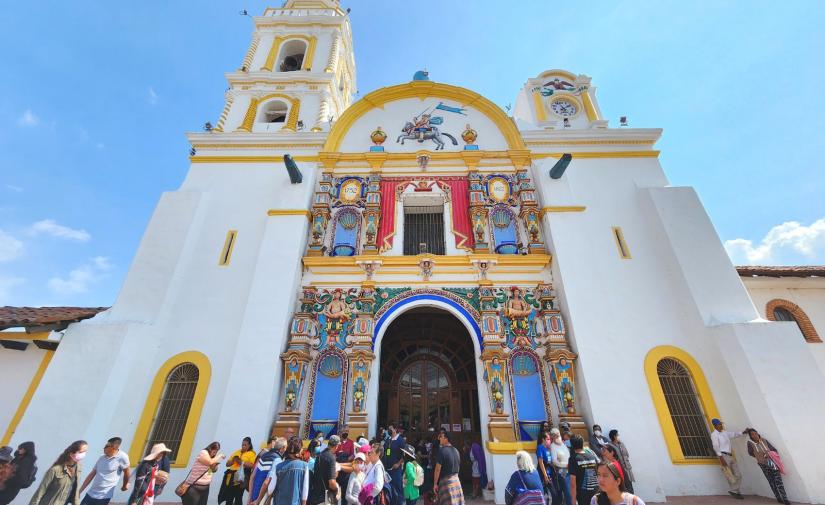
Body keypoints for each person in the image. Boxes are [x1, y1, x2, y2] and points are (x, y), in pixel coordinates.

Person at [29, 440, 88, 505]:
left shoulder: (78, 468)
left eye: (85, 451)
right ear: (71, 454)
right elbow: (40, 492)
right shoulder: (55, 470)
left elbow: (75, 491)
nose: (83, 454)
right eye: (81, 452)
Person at [79, 437, 131, 505]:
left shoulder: (122, 457)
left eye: (106, 446)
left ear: (114, 447)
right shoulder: (101, 457)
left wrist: (125, 485)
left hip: (104, 497)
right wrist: (80, 490)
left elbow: (127, 472)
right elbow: (92, 474)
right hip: (90, 494)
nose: (104, 448)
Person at [744, 428, 789, 505]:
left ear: (757, 433)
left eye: (755, 433)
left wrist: (769, 453)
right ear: (750, 436)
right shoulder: (750, 443)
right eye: (752, 434)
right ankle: (778, 497)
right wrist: (759, 457)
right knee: (771, 481)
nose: (755, 435)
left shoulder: (764, 440)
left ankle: (785, 499)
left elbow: (774, 450)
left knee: (778, 480)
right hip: (763, 464)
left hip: (771, 462)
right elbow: (750, 453)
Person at [710, 418, 744, 500]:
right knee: (729, 475)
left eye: (721, 424)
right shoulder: (714, 435)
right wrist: (721, 458)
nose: (721, 425)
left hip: (730, 455)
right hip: (723, 456)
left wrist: (743, 432)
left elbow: (734, 434)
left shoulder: (724, 432)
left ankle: (734, 490)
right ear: (715, 426)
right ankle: (736, 491)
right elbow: (715, 446)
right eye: (719, 424)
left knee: (738, 474)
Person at [273, 437, 310, 505]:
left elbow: (270, 489)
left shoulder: (278, 466)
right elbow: (305, 492)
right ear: (299, 450)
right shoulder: (304, 466)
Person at [219, 437, 255, 505]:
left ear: (249, 445)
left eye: (245, 445)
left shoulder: (252, 453)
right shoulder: (237, 452)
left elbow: (252, 465)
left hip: (242, 476)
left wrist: (241, 462)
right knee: (229, 496)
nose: (243, 446)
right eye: (242, 445)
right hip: (232, 475)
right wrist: (233, 460)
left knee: (238, 496)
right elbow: (227, 464)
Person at [251, 437, 287, 505]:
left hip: (255, 493)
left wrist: (251, 497)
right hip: (263, 497)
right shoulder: (277, 460)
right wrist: (259, 499)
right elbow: (266, 481)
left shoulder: (263, 455)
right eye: (286, 448)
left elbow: (253, 476)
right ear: (283, 447)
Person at [432, 431, 463, 505]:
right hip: (456, 481)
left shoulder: (442, 451)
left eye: (441, 437)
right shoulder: (456, 450)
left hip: (446, 482)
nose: (439, 439)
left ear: (446, 439)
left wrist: (435, 484)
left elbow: (437, 469)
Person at [309, 434, 340, 505]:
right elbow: (332, 483)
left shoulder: (319, 455)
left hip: (316, 497)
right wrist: (337, 489)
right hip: (325, 499)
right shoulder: (331, 457)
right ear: (336, 446)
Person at [568, 435, 599, 505]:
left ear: (572, 445)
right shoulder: (592, 456)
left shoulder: (573, 459)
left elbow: (573, 483)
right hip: (596, 491)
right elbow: (598, 474)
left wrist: (573, 500)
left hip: (583, 494)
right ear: (582, 443)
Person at [607, 431, 634, 497]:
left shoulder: (621, 444)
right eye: (617, 435)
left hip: (627, 468)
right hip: (619, 469)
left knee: (630, 485)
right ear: (614, 436)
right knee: (623, 487)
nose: (618, 436)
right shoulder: (610, 446)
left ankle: (632, 500)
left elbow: (627, 454)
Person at [550, 429, 571, 505]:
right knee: (568, 492)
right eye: (555, 436)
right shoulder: (553, 446)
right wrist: (565, 465)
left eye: (558, 435)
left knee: (572, 491)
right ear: (552, 437)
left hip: (570, 469)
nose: (557, 437)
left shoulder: (564, 444)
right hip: (562, 471)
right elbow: (554, 461)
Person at [386, 424, 406, 505]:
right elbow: (386, 451)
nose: (389, 430)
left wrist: (398, 464)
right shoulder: (388, 439)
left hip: (396, 470)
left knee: (398, 489)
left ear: (395, 429)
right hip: (388, 469)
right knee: (390, 489)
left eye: (390, 428)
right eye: (388, 428)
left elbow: (405, 454)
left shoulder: (400, 440)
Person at [336, 428, 356, 504]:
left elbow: (353, 455)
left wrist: (347, 460)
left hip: (346, 470)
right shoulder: (338, 442)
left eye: (347, 431)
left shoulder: (351, 443)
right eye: (344, 431)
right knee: (336, 492)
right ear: (340, 432)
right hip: (337, 470)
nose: (345, 433)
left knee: (345, 492)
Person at [536, 432, 555, 504]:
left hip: (550, 473)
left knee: (554, 495)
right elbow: (541, 462)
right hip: (544, 474)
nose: (549, 441)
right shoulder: (540, 447)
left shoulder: (548, 449)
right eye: (547, 439)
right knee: (546, 494)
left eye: (550, 439)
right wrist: (545, 475)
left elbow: (550, 461)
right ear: (543, 440)